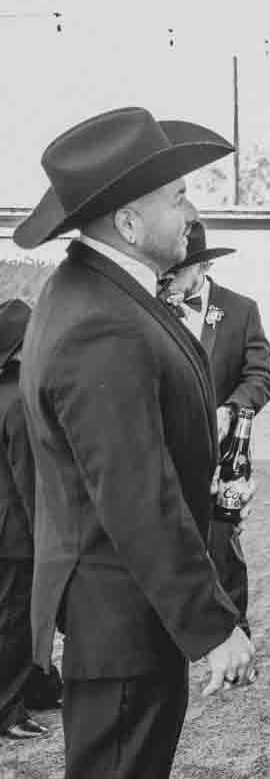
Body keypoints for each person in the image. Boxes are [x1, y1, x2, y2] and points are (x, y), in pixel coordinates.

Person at [15, 108, 256, 778]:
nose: (191, 210)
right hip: (120, 608)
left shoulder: (100, 292)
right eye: (177, 197)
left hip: (123, 601)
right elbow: (136, 496)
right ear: (127, 222)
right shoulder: (102, 322)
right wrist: (213, 626)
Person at [160, 220, 270, 638]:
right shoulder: (151, 308)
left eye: (177, 271)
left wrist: (232, 409)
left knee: (222, 542)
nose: (167, 279)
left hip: (227, 453)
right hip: (167, 450)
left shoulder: (241, 310)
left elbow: (260, 376)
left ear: (202, 266)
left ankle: (233, 628)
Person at [0, 299, 54, 741]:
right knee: (15, 619)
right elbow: (27, 476)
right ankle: (8, 709)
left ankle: (35, 687)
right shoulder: (18, 399)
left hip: (6, 527)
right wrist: (45, 535)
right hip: (13, 532)